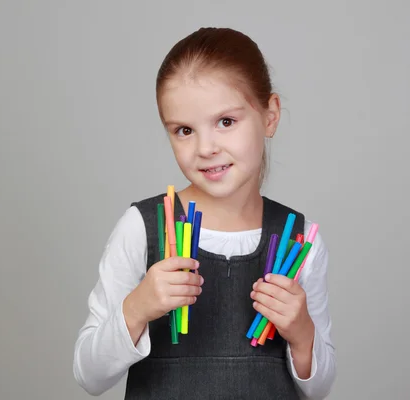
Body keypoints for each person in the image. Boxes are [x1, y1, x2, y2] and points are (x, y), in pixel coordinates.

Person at [72, 27, 336, 399]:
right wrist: (136, 309)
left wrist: (303, 333)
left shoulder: (300, 239)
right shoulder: (142, 229)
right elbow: (89, 375)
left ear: (270, 115)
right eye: (184, 130)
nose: (205, 147)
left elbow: (319, 389)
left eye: (226, 122)